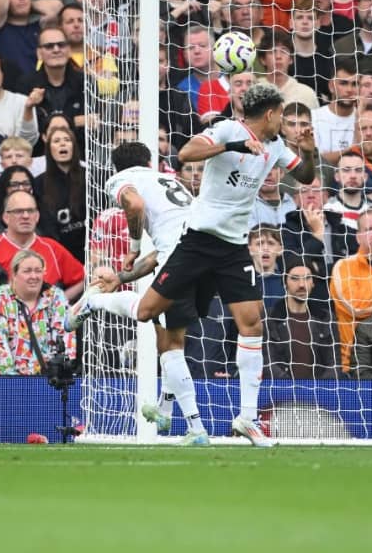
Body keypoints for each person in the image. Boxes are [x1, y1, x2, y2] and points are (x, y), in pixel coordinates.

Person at [86, 82, 316, 447]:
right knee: (147, 312)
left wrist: (308, 149)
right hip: (196, 241)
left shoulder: (274, 146)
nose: (284, 123)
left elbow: (306, 176)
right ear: (271, 114)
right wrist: (233, 147)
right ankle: (95, 301)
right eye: (282, 116)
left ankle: (247, 418)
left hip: (234, 246)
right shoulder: (226, 129)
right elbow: (186, 153)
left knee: (251, 323)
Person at [82, 141, 209, 445]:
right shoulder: (169, 181)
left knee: (154, 325)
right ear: (150, 162)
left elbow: (135, 205)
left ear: (115, 168)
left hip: (180, 262)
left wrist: (133, 247)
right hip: (206, 258)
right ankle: (164, 409)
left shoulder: (121, 179)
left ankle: (196, 428)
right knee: (168, 338)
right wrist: (121, 277)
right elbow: (159, 255)